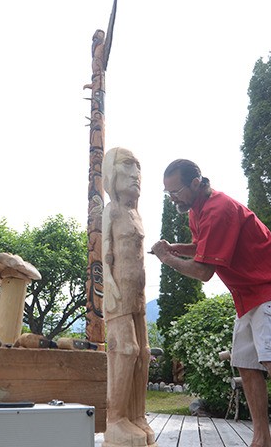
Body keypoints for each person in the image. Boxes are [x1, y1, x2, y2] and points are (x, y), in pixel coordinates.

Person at [150, 159, 271, 447]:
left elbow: (203, 271)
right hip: (246, 296)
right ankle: (262, 440)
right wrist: (176, 247)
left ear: (196, 182)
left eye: (176, 191)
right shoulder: (196, 210)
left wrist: (167, 258)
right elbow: (204, 247)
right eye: (167, 193)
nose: (173, 198)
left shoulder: (219, 209)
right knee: (246, 364)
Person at [102, 147, 155, 447]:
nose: (135, 174)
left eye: (138, 167)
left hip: (139, 295)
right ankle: (116, 418)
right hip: (118, 292)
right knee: (125, 349)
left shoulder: (136, 214)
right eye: (127, 165)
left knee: (144, 352)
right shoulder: (113, 210)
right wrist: (108, 285)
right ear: (111, 172)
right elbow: (104, 251)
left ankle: (137, 415)